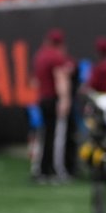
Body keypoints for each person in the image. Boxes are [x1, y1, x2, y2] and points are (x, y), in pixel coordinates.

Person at [30, 28, 73, 183]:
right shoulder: (56, 57)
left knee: (43, 136)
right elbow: (60, 79)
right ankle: (56, 170)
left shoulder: (40, 55)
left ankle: (40, 169)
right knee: (56, 138)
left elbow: (34, 81)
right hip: (52, 99)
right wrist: (64, 100)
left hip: (42, 98)